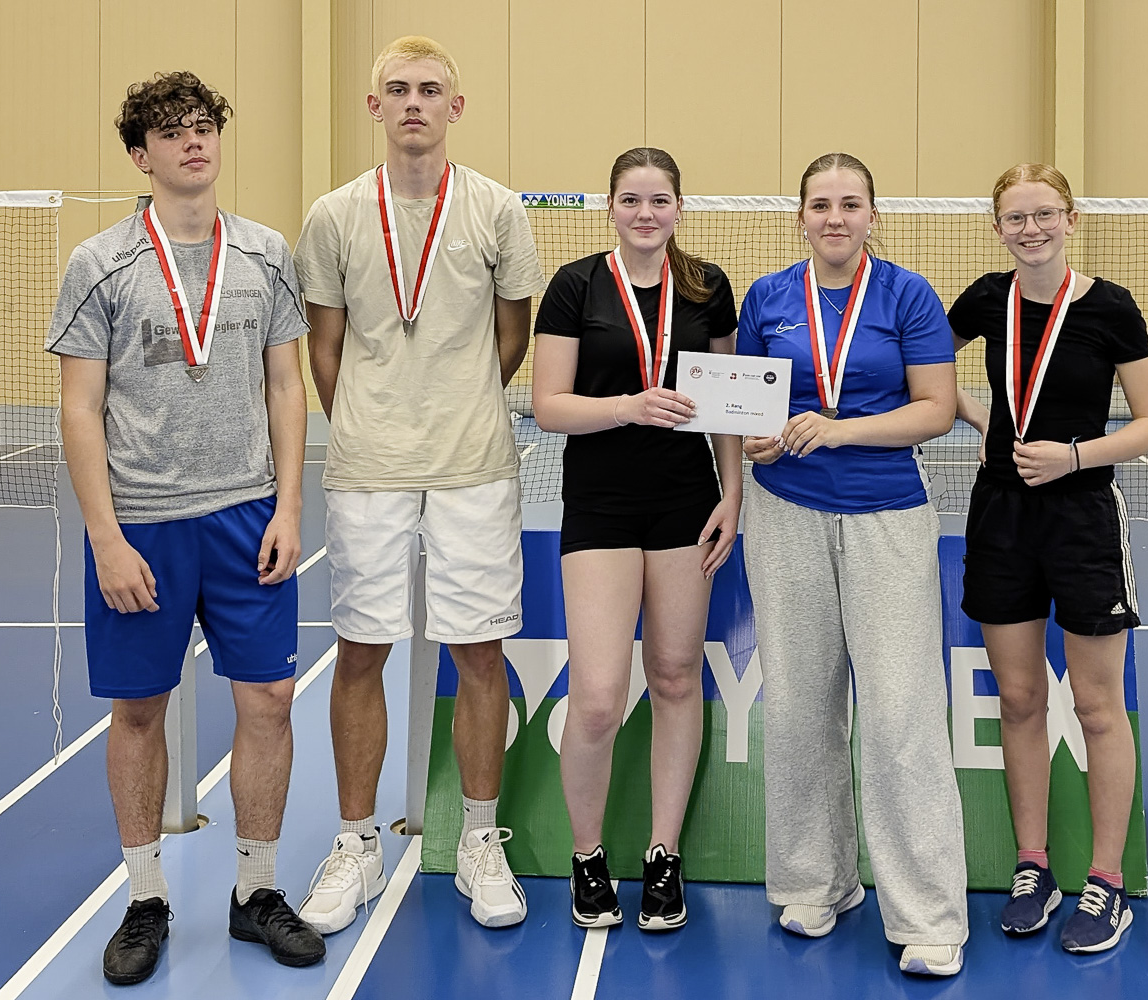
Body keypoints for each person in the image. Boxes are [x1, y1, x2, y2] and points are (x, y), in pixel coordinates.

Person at [48, 71, 322, 985]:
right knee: (139, 711)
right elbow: (80, 410)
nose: (193, 143)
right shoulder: (101, 262)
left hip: (247, 517)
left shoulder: (267, 252)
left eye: (203, 127)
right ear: (141, 155)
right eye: (171, 132)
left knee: (270, 703)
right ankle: (145, 896)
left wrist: (289, 506)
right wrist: (106, 539)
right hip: (143, 526)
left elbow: (287, 385)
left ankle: (255, 889)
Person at [293, 36, 543, 932]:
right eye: (396, 89)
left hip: (474, 465)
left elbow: (511, 337)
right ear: (374, 107)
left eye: (429, 89)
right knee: (361, 650)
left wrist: (459, 402)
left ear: (455, 107)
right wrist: (368, 419)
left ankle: (481, 839)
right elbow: (324, 345)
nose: (413, 103)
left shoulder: (497, 210)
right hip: (367, 469)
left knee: (479, 653)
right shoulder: (331, 215)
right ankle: (356, 845)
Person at [737, 152, 969, 976]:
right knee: (799, 706)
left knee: (902, 715)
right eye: (820, 204)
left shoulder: (907, 294)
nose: (835, 218)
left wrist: (835, 427)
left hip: (886, 518)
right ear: (799, 215)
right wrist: (764, 438)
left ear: (873, 214)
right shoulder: (767, 298)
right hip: (783, 512)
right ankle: (815, 881)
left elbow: (936, 409)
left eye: (850, 204)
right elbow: (748, 410)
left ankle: (929, 914)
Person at [948, 163, 1148, 954]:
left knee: (1097, 707)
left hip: (1082, 519)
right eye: (1016, 217)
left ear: (1070, 218)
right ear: (998, 226)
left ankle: (1105, 883)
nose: (1031, 229)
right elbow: (923, 374)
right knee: (1018, 701)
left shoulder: (1109, 307)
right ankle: (1033, 866)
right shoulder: (984, 300)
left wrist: (1074, 458)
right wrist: (986, 427)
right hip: (1001, 519)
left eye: (1044, 214)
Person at [532, 147, 741, 932]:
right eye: (631, 200)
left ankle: (663, 856)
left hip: (687, 504)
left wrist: (734, 497)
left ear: (679, 207)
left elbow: (726, 404)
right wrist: (628, 406)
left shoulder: (708, 288)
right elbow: (549, 405)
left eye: (660, 200)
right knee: (595, 699)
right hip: (602, 508)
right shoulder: (577, 286)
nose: (646, 213)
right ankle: (587, 857)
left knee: (678, 676)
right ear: (610, 207)